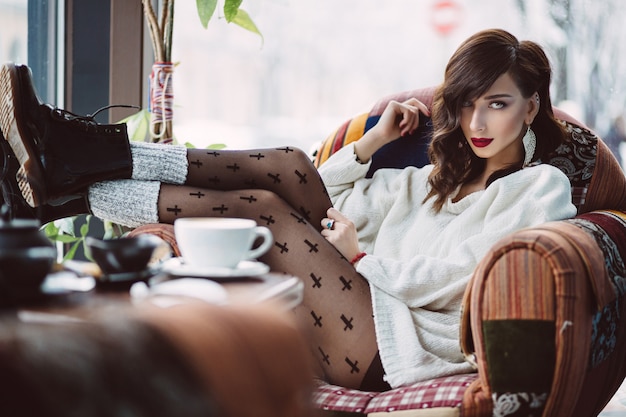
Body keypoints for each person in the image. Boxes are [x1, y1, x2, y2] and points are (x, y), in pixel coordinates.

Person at [0, 28, 576, 391]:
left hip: (399, 346)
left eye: (497, 105)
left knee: (267, 213)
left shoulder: (540, 188)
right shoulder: (429, 181)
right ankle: (67, 181)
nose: (476, 124)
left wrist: (363, 257)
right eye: (467, 105)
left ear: (530, 109)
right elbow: (316, 193)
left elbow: (470, 278)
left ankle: (68, 177)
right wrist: (371, 145)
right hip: (354, 308)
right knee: (285, 171)